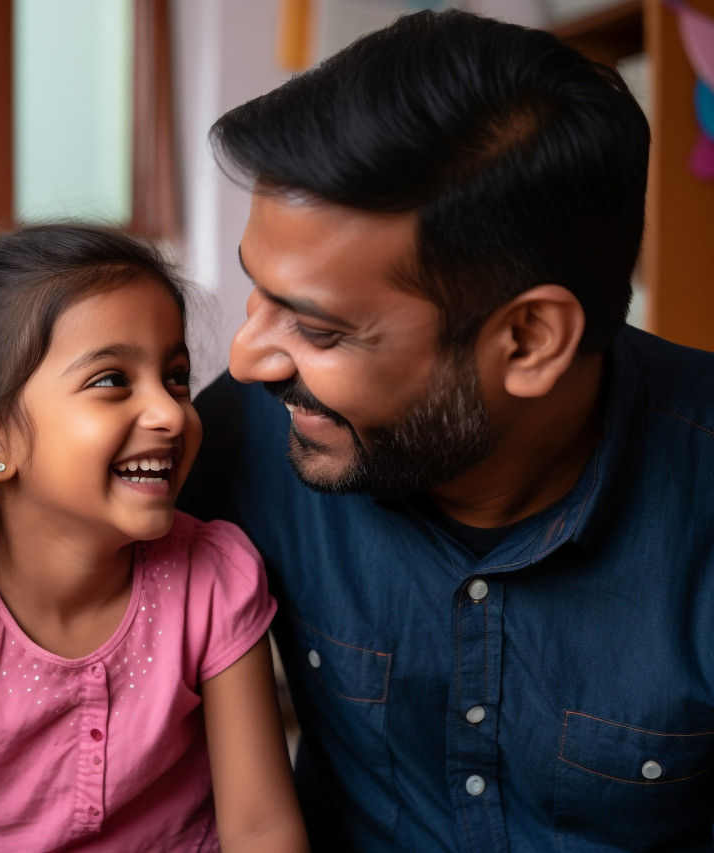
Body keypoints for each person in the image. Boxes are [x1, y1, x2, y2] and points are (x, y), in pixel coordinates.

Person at [181, 7, 714, 852]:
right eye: (259, 292)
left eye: (318, 329)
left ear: (529, 340)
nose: (247, 361)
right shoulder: (248, 433)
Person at [0, 222, 309, 852]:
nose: (169, 413)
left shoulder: (213, 577)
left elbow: (262, 828)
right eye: (111, 380)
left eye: (176, 376)